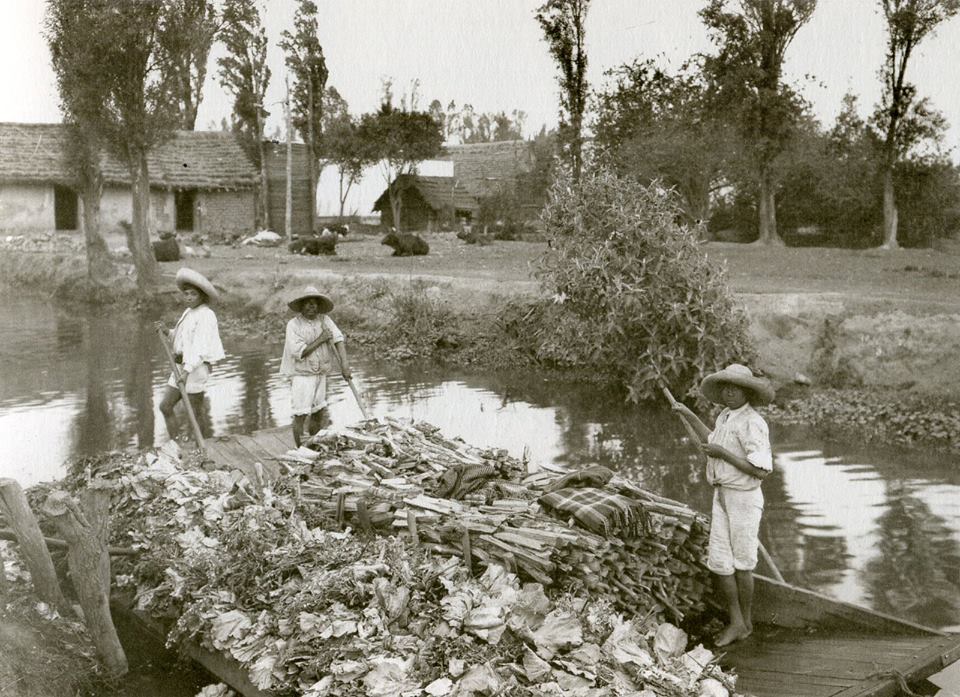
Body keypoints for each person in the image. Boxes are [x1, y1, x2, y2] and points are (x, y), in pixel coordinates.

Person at [670, 363, 775, 647]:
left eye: (736, 387)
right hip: (723, 496)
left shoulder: (753, 422)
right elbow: (712, 441)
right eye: (726, 387)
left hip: (744, 499)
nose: (729, 392)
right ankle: (736, 621)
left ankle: (746, 622)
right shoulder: (726, 416)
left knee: (743, 563)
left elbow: (761, 471)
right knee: (720, 563)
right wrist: (689, 414)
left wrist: (723, 454)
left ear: (747, 392)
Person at [157, 268, 225, 444]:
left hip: (195, 368)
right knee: (165, 406)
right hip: (181, 366)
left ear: (202, 296)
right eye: (186, 294)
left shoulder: (206, 315)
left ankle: (202, 447)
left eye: (193, 294)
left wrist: (187, 371)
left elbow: (200, 347)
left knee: (195, 412)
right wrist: (168, 332)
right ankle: (176, 443)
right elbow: (183, 340)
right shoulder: (189, 312)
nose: (188, 297)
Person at [280, 286, 352, 447]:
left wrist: (345, 365)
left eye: (314, 303)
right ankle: (300, 450)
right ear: (301, 306)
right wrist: (321, 338)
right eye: (308, 303)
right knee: (300, 414)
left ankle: (315, 445)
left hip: (320, 374)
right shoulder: (294, 325)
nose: (312, 306)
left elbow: (338, 339)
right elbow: (300, 352)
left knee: (318, 412)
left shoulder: (325, 320)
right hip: (302, 375)